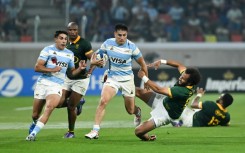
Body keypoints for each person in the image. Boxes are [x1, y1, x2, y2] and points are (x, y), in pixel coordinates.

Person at [85, 23, 148, 139]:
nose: (122, 37)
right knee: (103, 101)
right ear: (115, 34)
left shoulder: (132, 47)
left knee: (130, 110)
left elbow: (143, 63)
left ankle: (137, 111)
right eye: (119, 35)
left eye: (124, 35)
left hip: (127, 80)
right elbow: (96, 56)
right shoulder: (108, 43)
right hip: (112, 78)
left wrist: (147, 80)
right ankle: (95, 131)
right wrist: (91, 68)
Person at [26, 30, 87, 141]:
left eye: (65, 39)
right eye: (61, 38)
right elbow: (37, 67)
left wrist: (80, 69)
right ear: (56, 39)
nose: (64, 41)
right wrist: (52, 69)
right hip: (42, 84)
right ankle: (35, 122)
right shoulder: (47, 50)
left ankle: (32, 135)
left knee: (49, 107)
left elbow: (71, 73)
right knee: (35, 115)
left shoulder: (69, 54)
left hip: (57, 85)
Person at [135, 58, 201, 141]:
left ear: (189, 83)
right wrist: (161, 61)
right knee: (135, 91)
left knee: (138, 132)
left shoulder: (183, 91)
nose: (180, 78)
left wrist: (143, 77)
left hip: (166, 114)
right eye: (181, 75)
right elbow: (179, 65)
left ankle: (148, 137)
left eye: (183, 78)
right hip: (164, 101)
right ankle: (136, 111)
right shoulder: (188, 77)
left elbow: (158, 89)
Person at [56, 22, 101, 138]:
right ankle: (79, 103)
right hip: (67, 78)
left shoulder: (84, 43)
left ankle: (71, 132)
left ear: (78, 30)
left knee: (71, 107)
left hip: (81, 79)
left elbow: (93, 58)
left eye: (74, 30)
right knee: (57, 103)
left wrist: (91, 68)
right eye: (70, 30)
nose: (72, 32)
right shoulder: (65, 43)